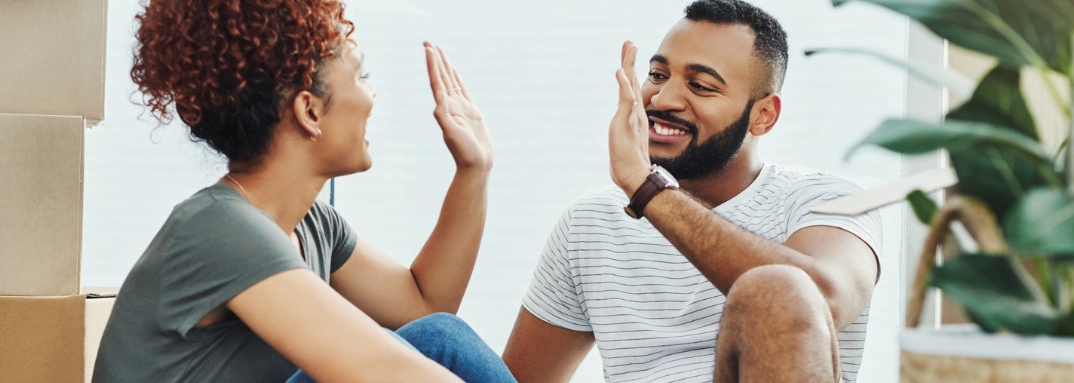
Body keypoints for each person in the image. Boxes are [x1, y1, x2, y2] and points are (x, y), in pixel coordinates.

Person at [91, 1, 515, 382]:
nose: (372, 95)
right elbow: (384, 371)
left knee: (440, 336)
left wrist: (474, 169)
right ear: (309, 110)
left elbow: (426, 306)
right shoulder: (217, 230)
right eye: (362, 75)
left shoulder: (314, 226)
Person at [502, 1, 883, 382]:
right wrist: (475, 170)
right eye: (657, 74)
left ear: (763, 115)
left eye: (700, 86)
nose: (663, 99)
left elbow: (821, 300)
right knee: (443, 339)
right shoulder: (592, 221)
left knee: (775, 289)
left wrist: (647, 190)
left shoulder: (829, 202)